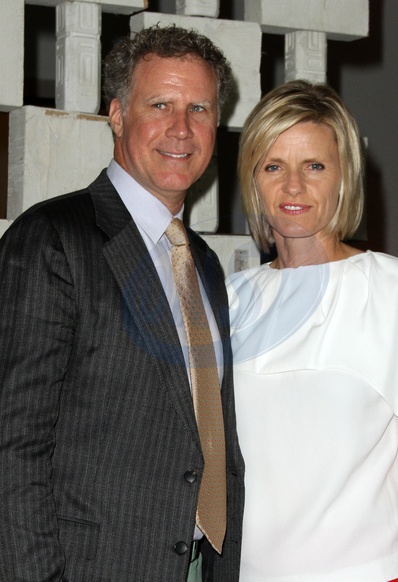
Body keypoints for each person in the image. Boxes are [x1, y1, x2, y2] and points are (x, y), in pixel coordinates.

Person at [0, 24, 244, 582]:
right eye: (160, 105)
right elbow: (11, 447)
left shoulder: (204, 264)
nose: (181, 128)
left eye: (199, 109)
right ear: (116, 114)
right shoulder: (51, 239)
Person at [226, 79, 398, 581]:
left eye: (314, 166)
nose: (293, 186)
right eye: (273, 166)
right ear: (253, 180)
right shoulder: (229, 299)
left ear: (344, 176)